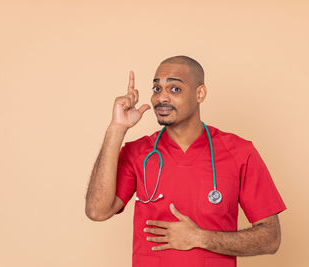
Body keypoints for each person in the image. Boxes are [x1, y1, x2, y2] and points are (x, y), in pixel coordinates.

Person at [85, 55, 287, 267]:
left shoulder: (239, 152)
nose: (161, 97)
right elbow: (97, 211)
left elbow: (270, 238)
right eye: (156, 89)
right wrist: (116, 129)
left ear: (200, 94)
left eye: (174, 89)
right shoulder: (138, 153)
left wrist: (200, 238)